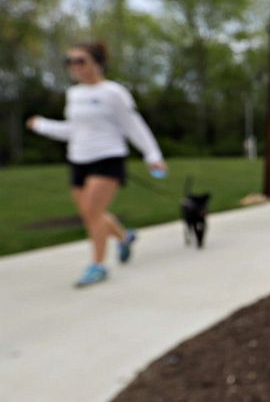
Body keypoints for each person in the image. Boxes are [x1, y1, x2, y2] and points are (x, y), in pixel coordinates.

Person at [26, 42, 167, 287]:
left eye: (81, 60)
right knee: (90, 215)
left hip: (108, 157)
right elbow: (73, 130)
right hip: (78, 159)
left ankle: (98, 265)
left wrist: (153, 155)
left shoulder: (114, 92)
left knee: (93, 213)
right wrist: (43, 126)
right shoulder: (74, 94)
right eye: (70, 61)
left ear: (98, 64)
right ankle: (124, 237)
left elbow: (133, 125)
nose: (75, 66)